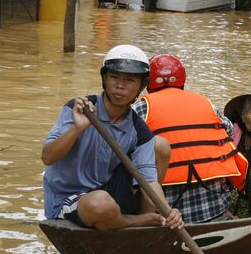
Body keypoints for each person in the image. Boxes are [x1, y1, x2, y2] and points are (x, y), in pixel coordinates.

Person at [41, 45, 183, 230]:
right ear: (104, 79)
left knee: (160, 146)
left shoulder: (138, 130)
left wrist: (168, 213)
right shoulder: (81, 109)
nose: (120, 86)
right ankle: (135, 221)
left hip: (106, 190)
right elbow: (47, 157)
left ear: (141, 86)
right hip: (69, 199)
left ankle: (146, 225)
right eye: (114, 77)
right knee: (101, 203)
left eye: (130, 80)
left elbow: (149, 180)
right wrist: (77, 129)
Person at [132, 54, 248, 223]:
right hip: (215, 208)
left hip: (169, 213)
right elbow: (228, 129)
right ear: (182, 81)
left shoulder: (141, 107)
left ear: (147, 84)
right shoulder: (205, 102)